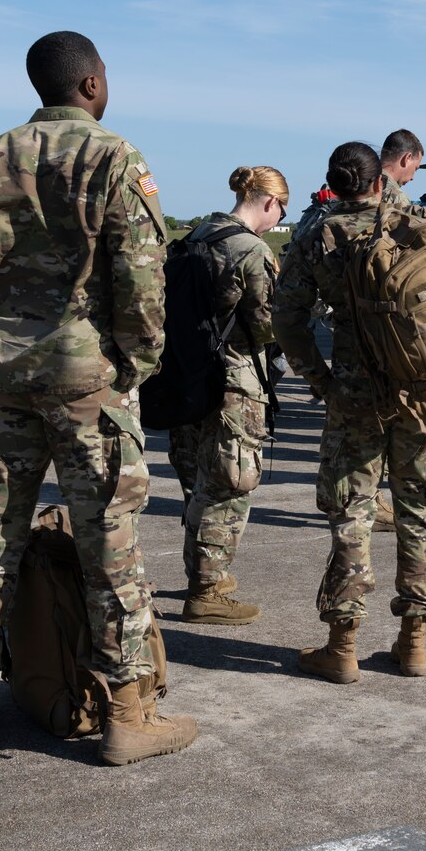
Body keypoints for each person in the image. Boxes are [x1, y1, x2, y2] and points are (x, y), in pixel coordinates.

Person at [0, 31, 195, 764]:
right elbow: (143, 276)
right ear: (89, 85)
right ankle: (128, 713)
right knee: (110, 543)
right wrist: (136, 363)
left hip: (2, 375)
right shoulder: (114, 157)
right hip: (86, 378)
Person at [276, 143, 426, 683]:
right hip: (424, 392)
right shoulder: (424, 223)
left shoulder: (318, 236)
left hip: (355, 395)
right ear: (379, 182)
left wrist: (322, 383)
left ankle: (343, 646)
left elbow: (287, 321)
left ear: (332, 183)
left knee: (352, 515)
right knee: (417, 514)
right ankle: (414, 642)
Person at [171, 167, 289, 626]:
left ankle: (205, 574)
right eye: (282, 209)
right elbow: (264, 325)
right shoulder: (251, 250)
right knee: (228, 485)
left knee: (198, 480)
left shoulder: (197, 233)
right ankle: (206, 591)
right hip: (234, 382)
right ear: (269, 203)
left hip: (188, 375)